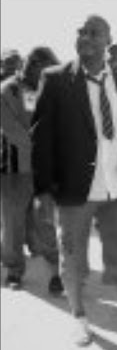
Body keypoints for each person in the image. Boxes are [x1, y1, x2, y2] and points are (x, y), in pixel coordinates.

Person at [31, 14, 117, 350]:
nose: (85, 36)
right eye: (81, 31)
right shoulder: (56, 79)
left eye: (94, 32)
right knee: (74, 258)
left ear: (109, 40)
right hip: (75, 189)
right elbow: (41, 138)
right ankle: (78, 316)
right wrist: (42, 191)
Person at [1, 46, 62, 293]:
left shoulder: (45, 90)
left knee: (46, 221)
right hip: (13, 169)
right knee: (13, 223)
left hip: (42, 169)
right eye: (41, 68)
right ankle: (15, 271)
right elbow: (11, 130)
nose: (43, 75)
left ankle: (56, 273)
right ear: (30, 64)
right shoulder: (7, 90)